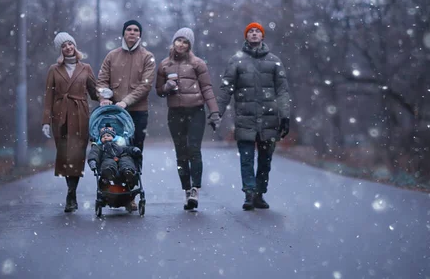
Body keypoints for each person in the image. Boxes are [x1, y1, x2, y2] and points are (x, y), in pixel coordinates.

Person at [216, 22, 291, 210]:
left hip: (270, 118)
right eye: (251, 31)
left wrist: (285, 116)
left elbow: (282, 91)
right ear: (246, 36)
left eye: (258, 31)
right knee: (247, 159)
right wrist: (217, 113)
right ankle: (249, 193)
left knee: (266, 160)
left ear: (262, 36)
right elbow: (226, 89)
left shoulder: (274, 61)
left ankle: (259, 193)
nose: (254, 34)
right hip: (245, 118)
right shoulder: (236, 60)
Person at [155, 27, 221, 210]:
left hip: (196, 111)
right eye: (179, 40)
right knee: (180, 152)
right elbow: (158, 91)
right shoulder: (164, 65)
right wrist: (166, 87)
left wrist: (214, 112)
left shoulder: (198, 63)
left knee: (193, 149)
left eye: (185, 42)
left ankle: (195, 189)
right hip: (175, 113)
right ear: (173, 42)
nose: (181, 44)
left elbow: (207, 88)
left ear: (190, 45)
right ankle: (186, 189)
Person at [97, 19, 156, 209]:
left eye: (136, 30)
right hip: (113, 115)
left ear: (140, 34)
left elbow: (145, 85)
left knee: (134, 152)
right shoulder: (112, 56)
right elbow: (101, 80)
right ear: (123, 33)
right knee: (110, 152)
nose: (132, 32)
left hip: (137, 113)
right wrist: (104, 97)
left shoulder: (147, 57)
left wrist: (126, 101)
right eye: (129, 29)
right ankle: (111, 191)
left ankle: (130, 194)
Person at [42, 32, 99, 213]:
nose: (68, 47)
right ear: (60, 50)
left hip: (80, 115)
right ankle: (71, 193)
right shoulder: (54, 70)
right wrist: (45, 121)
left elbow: (94, 92)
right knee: (65, 156)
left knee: (76, 156)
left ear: (74, 45)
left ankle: (71, 194)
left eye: (70, 44)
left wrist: (107, 98)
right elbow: (48, 97)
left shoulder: (86, 68)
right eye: (64, 45)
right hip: (60, 116)